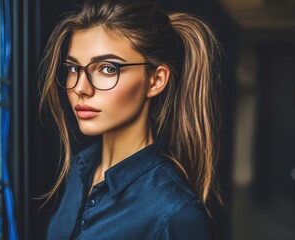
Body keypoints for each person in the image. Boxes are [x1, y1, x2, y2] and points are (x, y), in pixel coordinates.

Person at [39, 0, 222, 239]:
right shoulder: (81, 168)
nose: (81, 88)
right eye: (74, 68)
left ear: (155, 80)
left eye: (108, 69)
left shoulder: (174, 214)